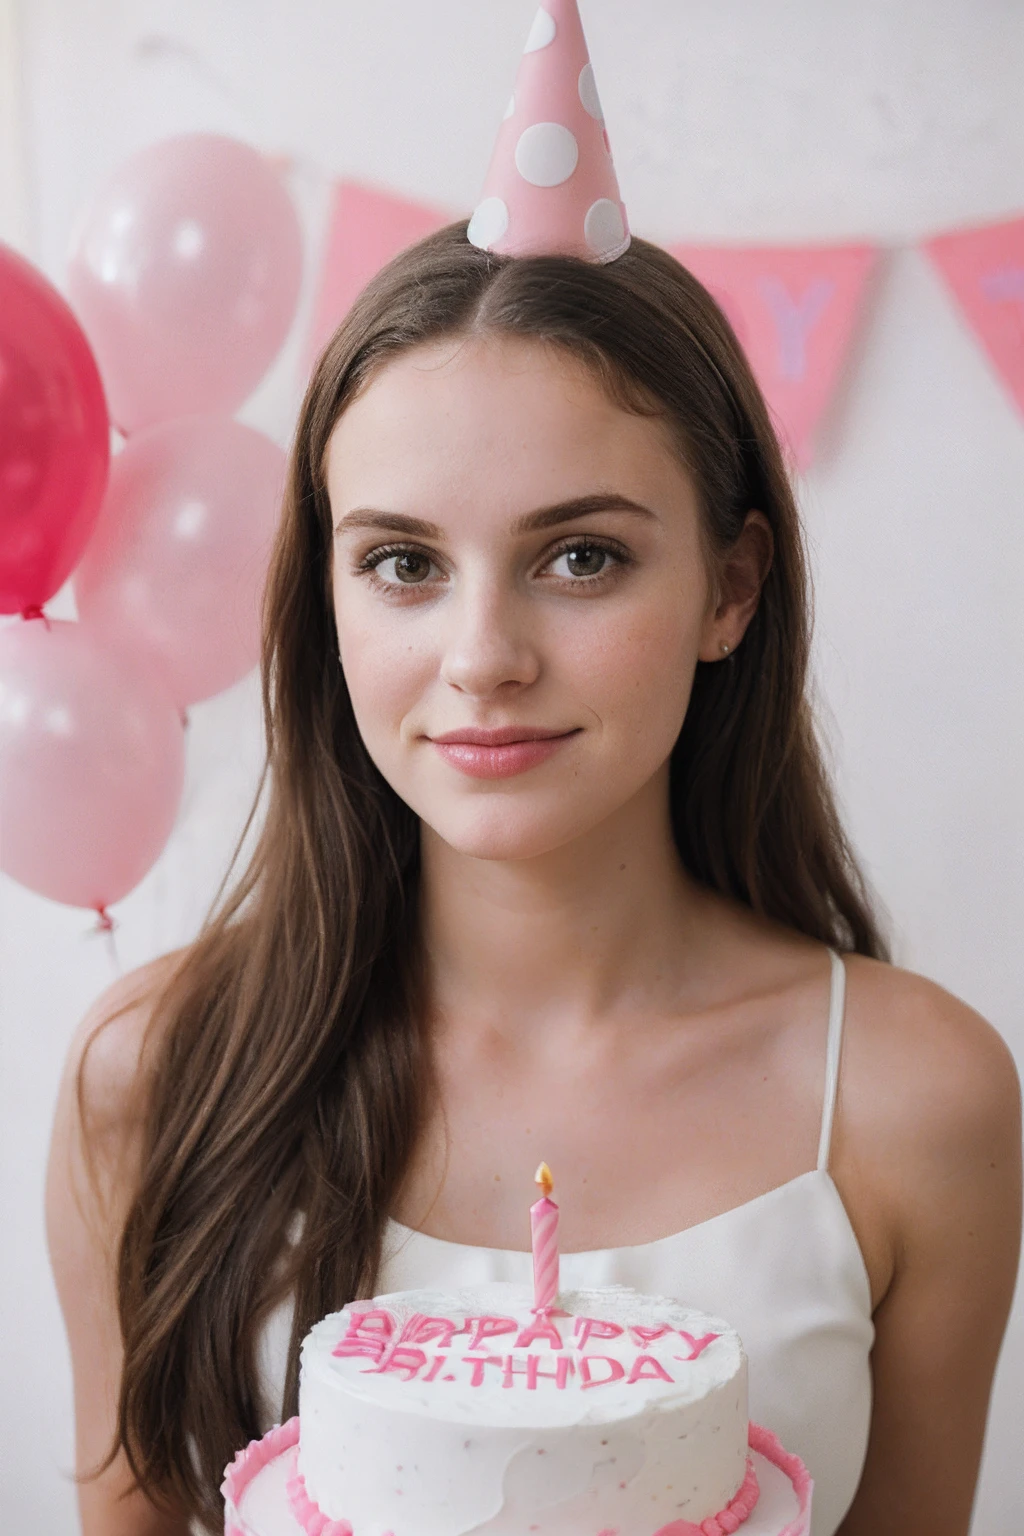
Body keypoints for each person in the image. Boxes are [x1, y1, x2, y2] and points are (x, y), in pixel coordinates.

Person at [44, 217, 1021, 1536]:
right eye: (404, 563)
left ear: (731, 587)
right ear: (325, 598)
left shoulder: (918, 1103)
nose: (484, 655)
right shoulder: (156, 1074)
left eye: (581, 557)